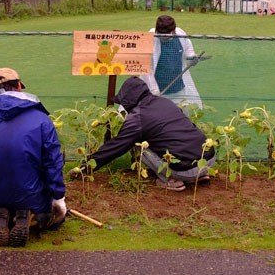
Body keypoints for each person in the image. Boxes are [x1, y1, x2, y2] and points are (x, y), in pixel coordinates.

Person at [0, 67, 66, 247]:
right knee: (50, 216)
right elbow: (52, 162)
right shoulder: (41, 119)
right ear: (18, 86)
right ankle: (27, 215)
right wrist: (58, 198)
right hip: (32, 196)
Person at [80, 76, 215, 192]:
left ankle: (169, 180)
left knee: (139, 145)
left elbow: (117, 145)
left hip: (186, 170)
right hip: (208, 159)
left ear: (128, 99)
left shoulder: (138, 117)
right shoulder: (165, 102)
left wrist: (86, 166)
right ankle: (201, 175)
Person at [141, 14, 203, 108]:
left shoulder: (180, 34)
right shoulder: (150, 38)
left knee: (181, 115)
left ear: (173, 31)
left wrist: (192, 58)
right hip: (156, 90)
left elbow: (188, 51)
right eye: (160, 34)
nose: (162, 37)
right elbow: (147, 68)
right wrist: (154, 91)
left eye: (165, 35)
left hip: (177, 88)